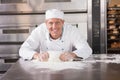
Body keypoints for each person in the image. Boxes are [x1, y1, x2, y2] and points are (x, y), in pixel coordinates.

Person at [19, 9, 92, 62]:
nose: (54, 27)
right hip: (44, 68)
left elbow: (86, 49)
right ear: (46, 23)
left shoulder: (71, 30)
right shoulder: (39, 30)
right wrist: (37, 55)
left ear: (63, 22)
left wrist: (72, 55)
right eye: (50, 23)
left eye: (57, 22)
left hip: (66, 66)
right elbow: (23, 50)